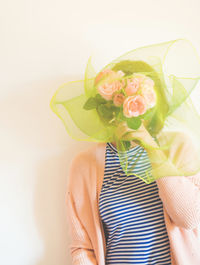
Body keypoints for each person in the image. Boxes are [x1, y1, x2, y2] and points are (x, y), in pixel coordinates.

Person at [50, 39, 200, 264]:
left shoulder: (178, 146)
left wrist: (150, 146)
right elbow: (82, 247)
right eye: (116, 103)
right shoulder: (85, 164)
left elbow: (189, 217)